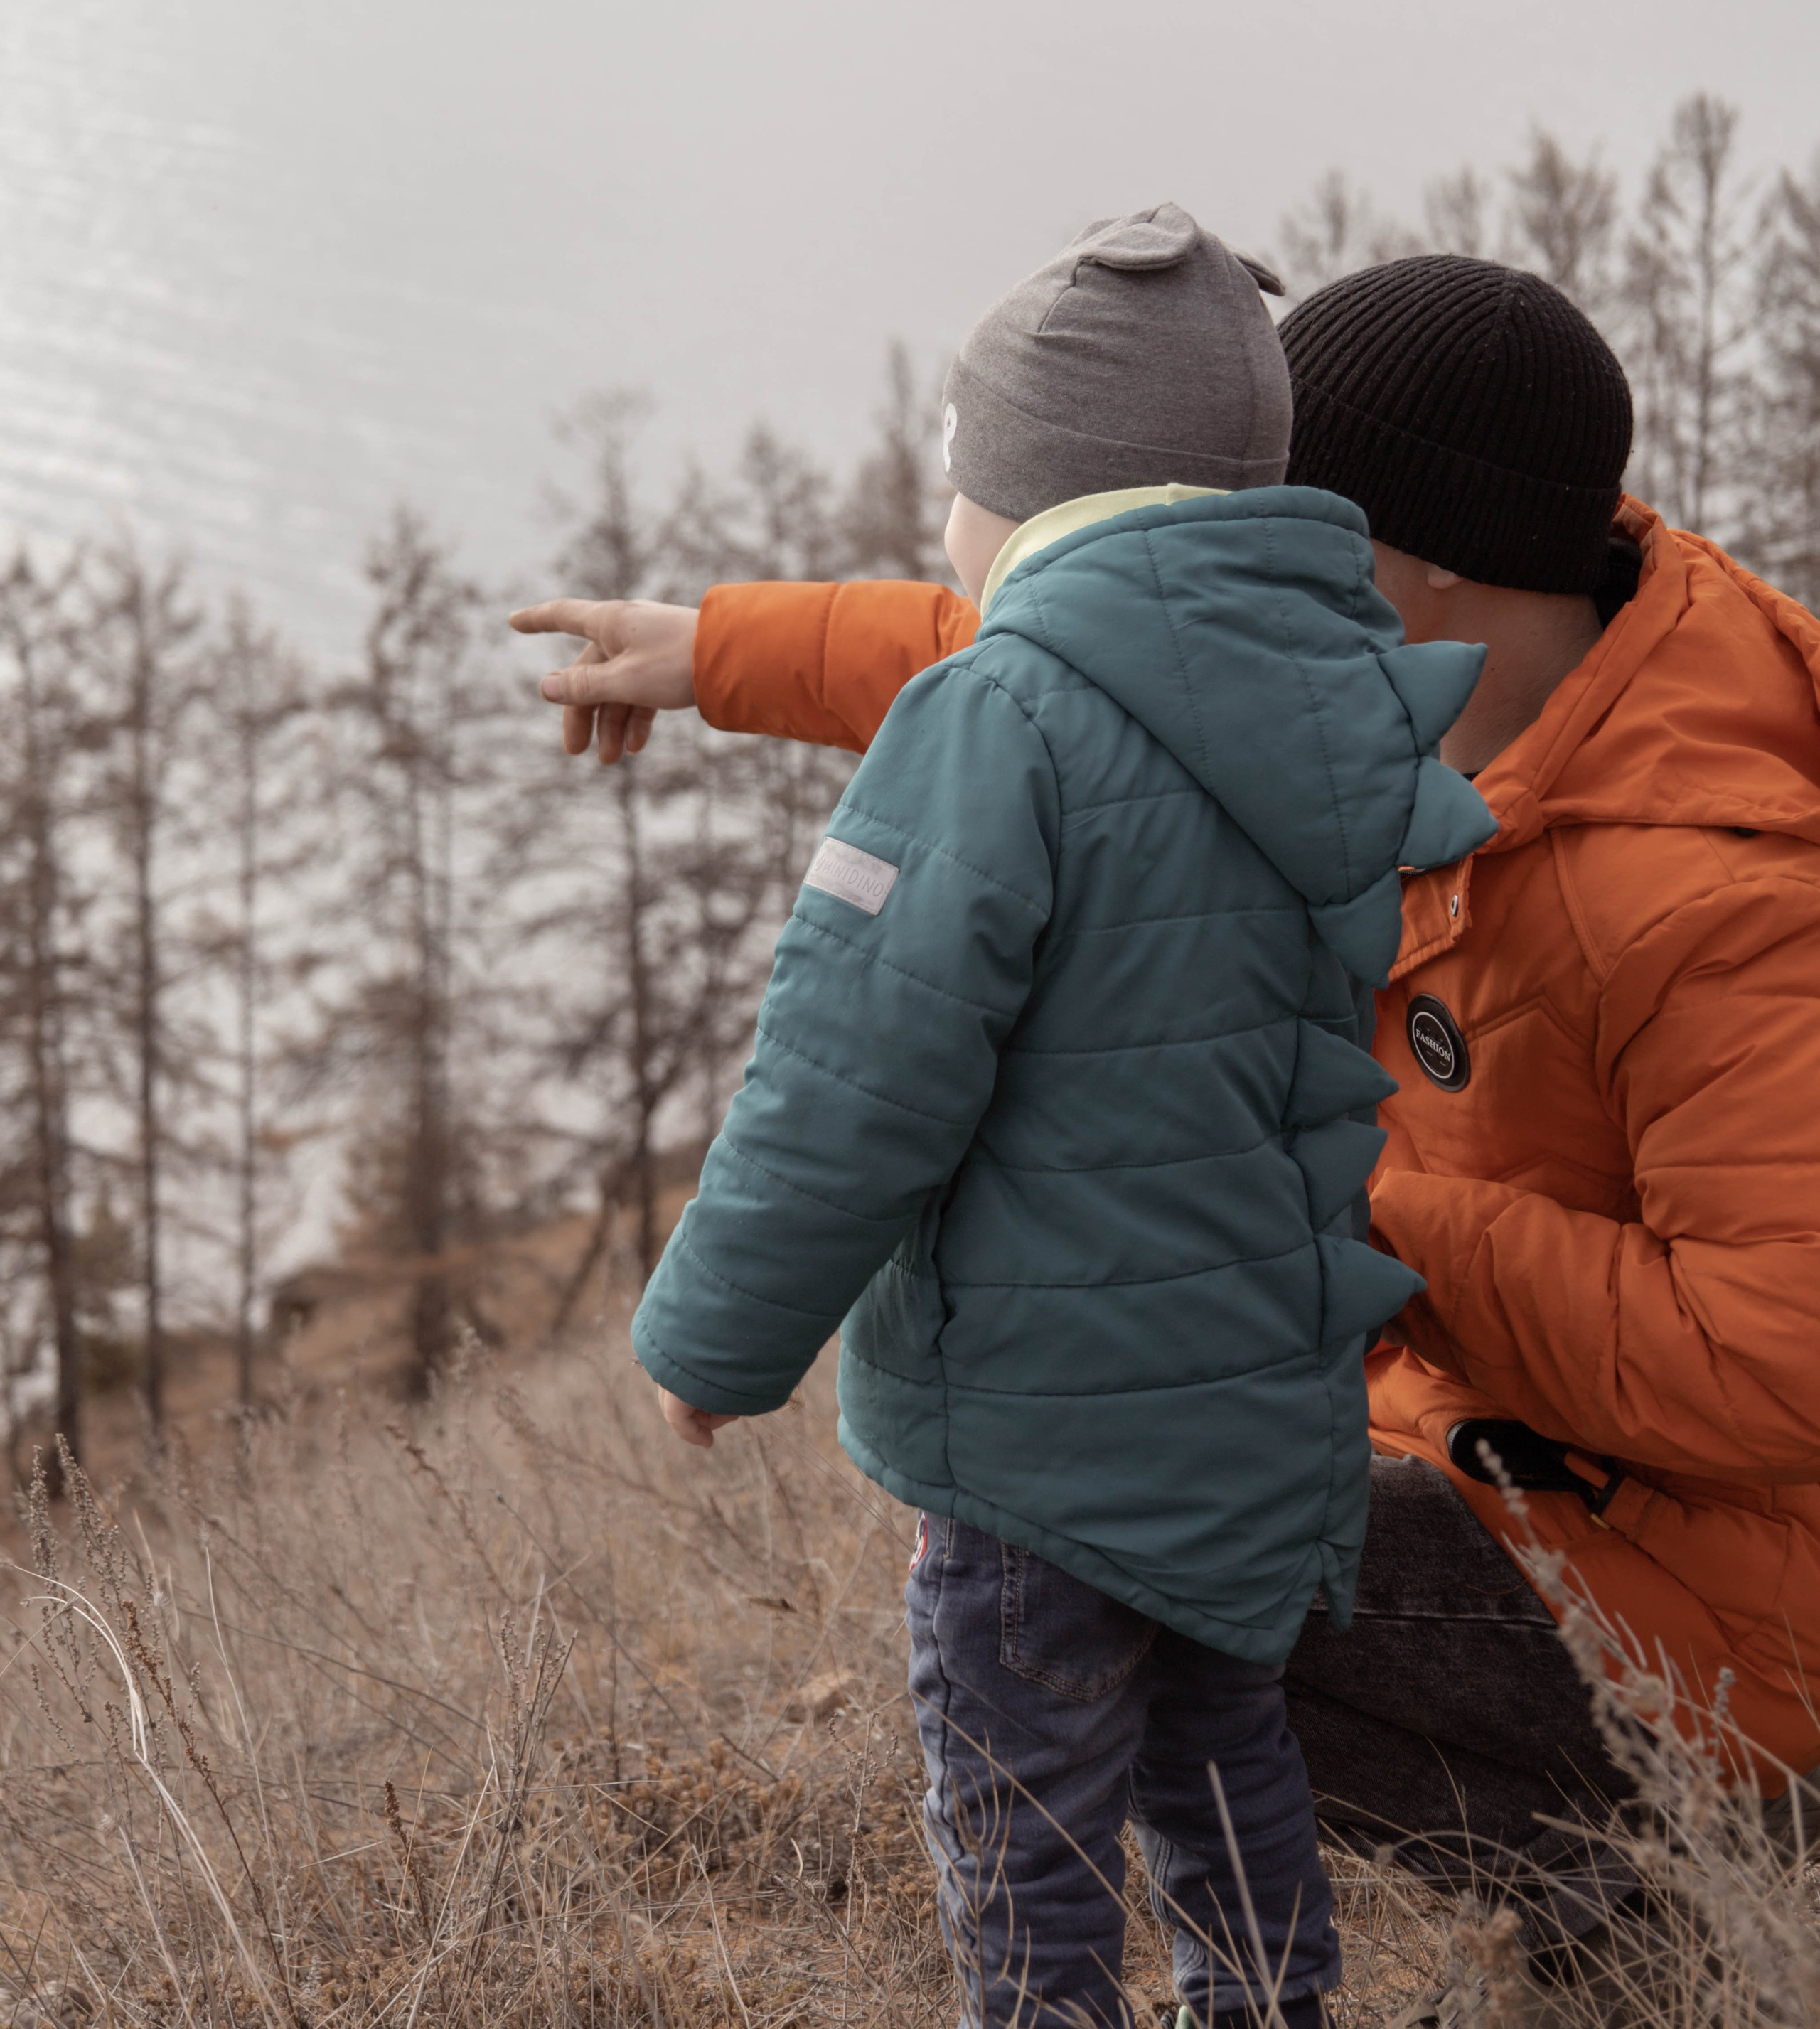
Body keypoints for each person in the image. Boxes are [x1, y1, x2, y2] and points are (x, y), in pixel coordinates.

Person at [515, 251, 1820, 1945]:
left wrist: (1339, 1201)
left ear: (1396, 566)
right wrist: (717, 653)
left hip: (1747, 1615)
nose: (1203, 547)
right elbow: (1081, 667)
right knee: (1114, 1503)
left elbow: (1767, 1364)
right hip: (1505, 1467)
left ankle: (1692, 1901)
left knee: (1117, 1565)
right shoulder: (1404, 665)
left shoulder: (1718, 901)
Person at [587, 205, 1492, 2029]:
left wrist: (710, 1343)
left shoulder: (992, 714)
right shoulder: (1334, 706)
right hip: (1253, 1428)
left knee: (1033, 1865)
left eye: (958, 481)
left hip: (1030, 1464)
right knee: (1227, 1781)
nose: (946, 527)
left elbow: (854, 1074)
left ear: (1031, 501)